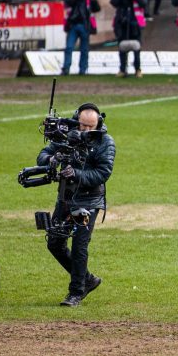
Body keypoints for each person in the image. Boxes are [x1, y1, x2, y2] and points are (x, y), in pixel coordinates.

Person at [38, 103, 115, 307]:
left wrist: (77, 173)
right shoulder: (66, 137)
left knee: (79, 245)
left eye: (91, 127)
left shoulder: (105, 142)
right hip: (65, 197)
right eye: (83, 126)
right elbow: (43, 155)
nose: (87, 131)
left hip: (89, 201)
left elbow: (103, 173)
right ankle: (88, 279)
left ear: (99, 123)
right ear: (76, 121)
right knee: (54, 242)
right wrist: (53, 159)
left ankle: (76, 292)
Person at [62, 0, 100, 76]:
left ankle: (83, 70)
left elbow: (96, 9)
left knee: (84, 49)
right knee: (69, 47)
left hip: (85, 25)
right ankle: (66, 68)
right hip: (73, 25)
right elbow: (69, 1)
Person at [112, 0, 147, 78]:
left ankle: (137, 69)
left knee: (137, 48)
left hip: (136, 25)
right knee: (122, 48)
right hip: (122, 25)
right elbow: (113, 2)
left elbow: (144, 3)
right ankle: (122, 70)